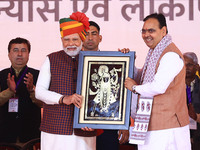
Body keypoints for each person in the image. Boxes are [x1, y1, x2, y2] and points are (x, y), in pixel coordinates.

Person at [124, 13, 191, 149]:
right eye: (143, 31)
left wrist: (134, 88)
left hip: (166, 126)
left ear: (163, 31)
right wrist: (127, 62)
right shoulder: (155, 53)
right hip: (152, 124)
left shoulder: (170, 55)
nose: (146, 34)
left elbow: (158, 87)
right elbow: (142, 77)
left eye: (151, 30)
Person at [35, 12, 96, 150]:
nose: (70, 44)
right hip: (55, 129)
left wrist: (95, 120)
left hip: (85, 129)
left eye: (75, 39)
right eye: (66, 40)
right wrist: (63, 98)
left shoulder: (93, 60)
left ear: (82, 39)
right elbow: (39, 92)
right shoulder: (51, 59)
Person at [83, 21, 129, 150]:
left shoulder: (114, 61)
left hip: (108, 125)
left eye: (94, 33)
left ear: (100, 37)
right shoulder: (73, 62)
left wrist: (123, 124)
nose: (90, 37)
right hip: (79, 126)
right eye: (86, 34)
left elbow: (122, 94)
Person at [0, 37, 42, 145]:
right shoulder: (1, 75)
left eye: (23, 50)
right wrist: (9, 91)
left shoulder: (39, 75)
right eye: (15, 50)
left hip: (31, 135)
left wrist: (32, 90)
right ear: (9, 54)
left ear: (28, 54)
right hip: (5, 135)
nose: (19, 54)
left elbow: (43, 103)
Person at [183, 52, 200, 150]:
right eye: (183, 65)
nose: (185, 68)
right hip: (179, 137)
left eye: (189, 65)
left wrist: (196, 117)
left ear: (197, 67)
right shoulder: (173, 88)